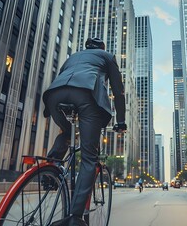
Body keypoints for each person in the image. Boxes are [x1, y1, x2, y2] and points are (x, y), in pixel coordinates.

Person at [42, 37, 126, 226]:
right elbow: (118, 91)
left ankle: (51, 170)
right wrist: (121, 121)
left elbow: (62, 75)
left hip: (54, 95)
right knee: (89, 158)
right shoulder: (107, 56)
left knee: (66, 131)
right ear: (102, 48)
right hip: (86, 95)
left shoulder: (73, 57)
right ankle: (75, 218)